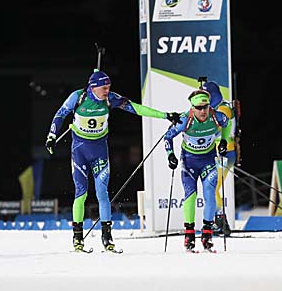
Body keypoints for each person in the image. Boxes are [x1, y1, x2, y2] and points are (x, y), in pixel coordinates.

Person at [45, 69, 180, 252]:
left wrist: (164, 115)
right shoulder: (78, 97)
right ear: (94, 87)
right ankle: (77, 238)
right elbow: (60, 114)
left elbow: (136, 108)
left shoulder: (111, 99)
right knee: (81, 192)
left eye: (109, 87)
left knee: (103, 193)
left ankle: (107, 238)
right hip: (80, 152)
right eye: (104, 87)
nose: (107, 90)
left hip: (99, 152)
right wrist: (52, 136)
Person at [163, 88, 229, 252]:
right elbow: (167, 137)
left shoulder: (217, 116)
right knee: (191, 196)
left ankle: (207, 234)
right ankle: (189, 235)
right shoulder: (185, 120)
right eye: (198, 108)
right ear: (192, 108)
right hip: (189, 163)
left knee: (210, 194)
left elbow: (227, 124)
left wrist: (223, 141)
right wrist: (170, 155)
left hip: (208, 161)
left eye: (205, 107)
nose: (203, 111)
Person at [202, 81, 235, 236]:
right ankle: (219, 221)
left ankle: (221, 223)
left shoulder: (223, 109)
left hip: (225, 153)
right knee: (211, 187)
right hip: (216, 153)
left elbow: (218, 130)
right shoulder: (216, 107)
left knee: (212, 187)